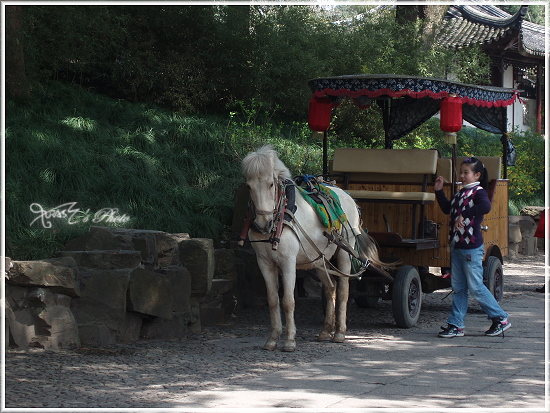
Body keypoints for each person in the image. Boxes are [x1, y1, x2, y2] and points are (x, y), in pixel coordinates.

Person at [434, 157, 511, 338]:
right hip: (457, 246)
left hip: (470, 247)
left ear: (477, 175)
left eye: (466, 172)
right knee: (459, 287)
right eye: (461, 172)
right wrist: (439, 192)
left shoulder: (478, 192)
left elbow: (485, 206)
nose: (462, 175)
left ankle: (501, 318)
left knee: (475, 286)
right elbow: (448, 209)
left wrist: (465, 214)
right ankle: (456, 325)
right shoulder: (461, 193)